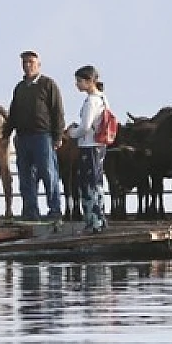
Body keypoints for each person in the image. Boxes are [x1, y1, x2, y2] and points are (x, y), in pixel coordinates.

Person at [6, 49, 64, 220]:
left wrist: (58, 135)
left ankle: (54, 210)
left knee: (48, 173)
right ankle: (30, 211)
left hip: (42, 135)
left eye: (31, 62)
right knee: (25, 177)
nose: (27, 65)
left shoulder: (48, 84)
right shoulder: (20, 88)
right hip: (23, 137)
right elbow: (13, 112)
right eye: (24, 62)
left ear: (38, 64)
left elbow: (57, 111)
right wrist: (6, 133)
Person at [67, 65, 111, 234]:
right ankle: (100, 219)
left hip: (89, 145)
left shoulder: (91, 101)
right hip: (99, 146)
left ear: (89, 81)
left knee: (87, 185)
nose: (77, 84)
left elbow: (85, 127)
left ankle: (92, 222)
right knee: (97, 182)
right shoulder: (103, 98)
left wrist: (72, 133)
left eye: (79, 81)